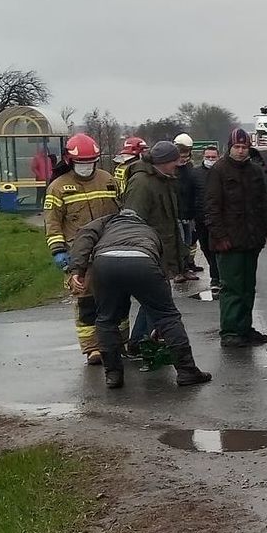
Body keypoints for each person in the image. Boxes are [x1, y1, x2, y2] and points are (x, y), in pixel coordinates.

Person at [66, 208, 211, 389]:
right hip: (143, 260)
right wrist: (160, 319)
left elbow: (84, 238)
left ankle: (113, 375)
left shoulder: (104, 222)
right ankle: (187, 371)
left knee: (106, 319)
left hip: (105, 263)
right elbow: (161, 270)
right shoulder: (148, 229)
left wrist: (76, 271)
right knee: (167, 317)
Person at [43, 133, 121, 366]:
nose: (86, 167)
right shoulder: (58, 187)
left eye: (90, 162)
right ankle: (92, 348)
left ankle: (119, 343)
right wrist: (58, 251)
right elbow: (53, 222)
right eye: (81, 163)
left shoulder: (107, 180)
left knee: (116, 300)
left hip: (109, 250)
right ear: (70, 161)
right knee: (86, 303)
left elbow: (120, 212)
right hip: (79, 255)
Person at [206, 125, 267, 348]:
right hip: (229, 242)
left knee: (248, 287)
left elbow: (263, 205)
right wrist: (220, 236)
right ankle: (230, 331)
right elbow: (212, 207)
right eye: (237, 147)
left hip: (250, 239)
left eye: (244, 147)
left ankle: (244, 328)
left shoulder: (255, 171)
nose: (241, 151)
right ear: (230, 148)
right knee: (232, 288)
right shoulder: (219, 170)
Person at [120, 141, 186, 354]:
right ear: (164, 162)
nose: (178, 164)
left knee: (154, 300)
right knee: (156, 299)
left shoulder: (163, 180)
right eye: (174, 161)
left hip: (160, 251)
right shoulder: (142, 183)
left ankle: (140, 341)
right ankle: (144, 342)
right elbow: (133, 220)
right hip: (147, 253)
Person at [189, 144, 221, 288]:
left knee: (217, 249)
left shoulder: (222, 173)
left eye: (213, 157)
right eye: (207, 157)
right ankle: (216, 273)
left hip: (219, 219)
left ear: (218, 157)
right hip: (200, 219)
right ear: (203, 157)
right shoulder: (195, 174)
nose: (210, 159)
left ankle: (216, 278)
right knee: (206, 248)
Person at [172, 132, 201, 281]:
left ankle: (187, 267)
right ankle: (178, 271)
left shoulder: (190, 169)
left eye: (186, 156)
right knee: (180, 243)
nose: (184, 159)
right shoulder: (170, 171)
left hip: (189, 214)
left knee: (189, 242)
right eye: (181, 157)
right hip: (176, 214)